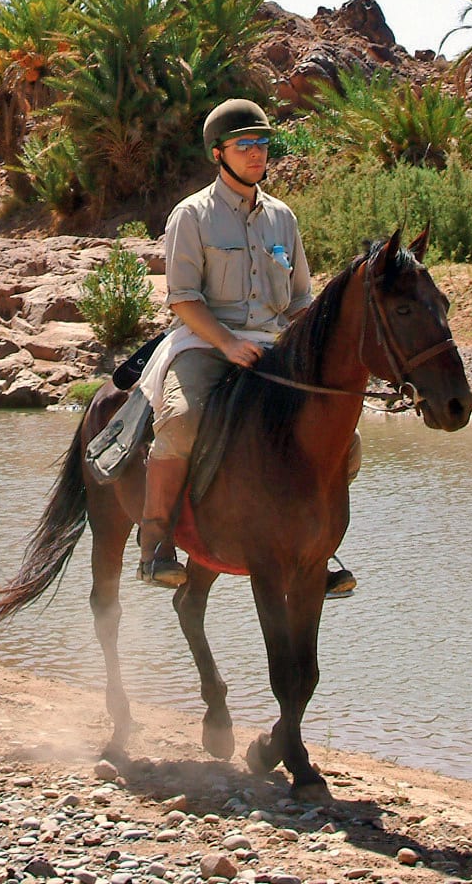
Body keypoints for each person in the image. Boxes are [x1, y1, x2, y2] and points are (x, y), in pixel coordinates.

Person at [141, 98, 357, 599]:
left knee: (347, 442)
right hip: (204, 342)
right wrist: (228, 343)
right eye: (244, 146)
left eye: (261, 144)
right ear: (218, 154)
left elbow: (300, 301)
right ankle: (155, 546)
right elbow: (183, 299)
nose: (257, 153)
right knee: (182, 421)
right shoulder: (191, 215)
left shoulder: (283, 218)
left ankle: (317, 547)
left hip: (275, 348)